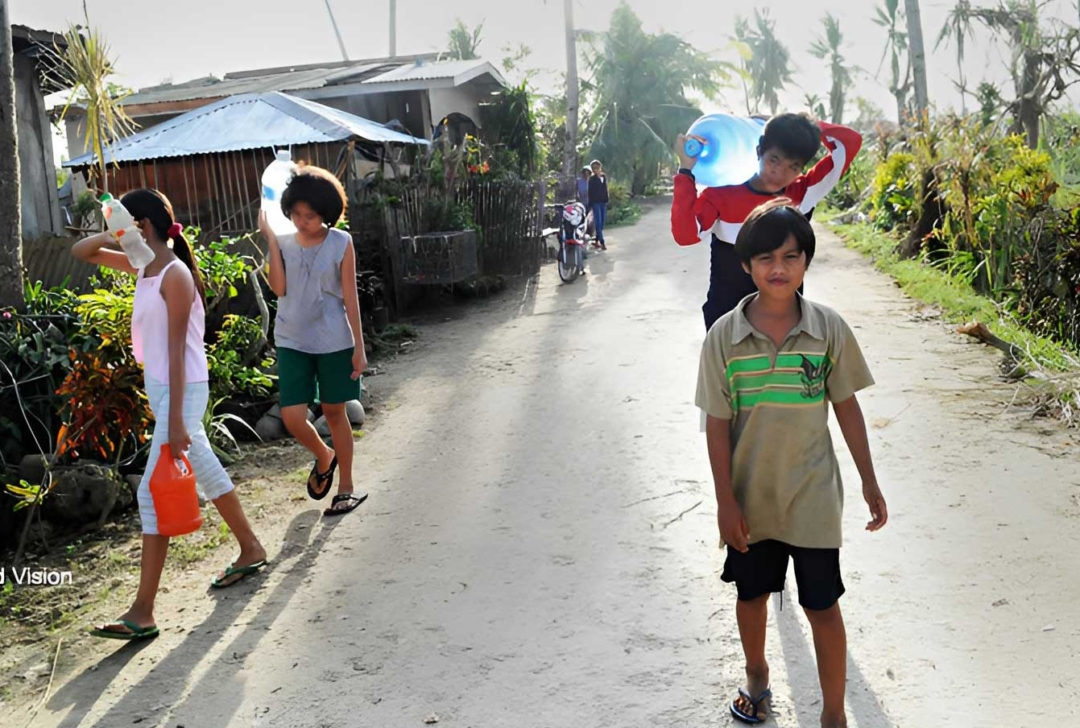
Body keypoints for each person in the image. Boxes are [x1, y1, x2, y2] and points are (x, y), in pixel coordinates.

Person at [695, 200, 888, 727]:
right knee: (752, 595)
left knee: (822, 606)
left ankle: (832, 715)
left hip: (813, 495)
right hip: (751, 499)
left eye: (790, 256)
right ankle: (757, 676)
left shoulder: (828, 330)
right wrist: (724, 502)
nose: (778, 269)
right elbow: (716, 423)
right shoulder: (724, 339)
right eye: (765, 259)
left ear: (806, 262)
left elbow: (846, 406)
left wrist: (869, 481)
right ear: (746, 266)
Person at [73, 189, 268, 641]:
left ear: (145, 225)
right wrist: (115, 229)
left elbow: (181, 351)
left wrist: (177, 419)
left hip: (183, 390)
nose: (121, 231)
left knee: (149, 494)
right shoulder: (143, 267)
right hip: (164, 389)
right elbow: (80, 251)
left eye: (127, 221)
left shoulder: (174, 275)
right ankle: (250, 548)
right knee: (204, 464)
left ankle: (143, 611)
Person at [672, 113, 862, 331]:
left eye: (794, 166)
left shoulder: (803, 192)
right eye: (775, 160)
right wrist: (685, 171)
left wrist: (798, 125)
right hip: (728, 320)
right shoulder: (721, 195)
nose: (780, 173)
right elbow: (685, 235)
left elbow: (850, 141)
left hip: (786, 324)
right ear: (759, 150)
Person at [260, 165, 369, 517]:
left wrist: (359, 348)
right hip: (292, 338)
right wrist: (271, 242)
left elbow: (350, 297)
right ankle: (324, 455)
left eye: (310, 215)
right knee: (292, 416)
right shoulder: (283, 240)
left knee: (336, 412)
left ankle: (346, 487)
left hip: (334, 339)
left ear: (327, 214)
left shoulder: (341, 242)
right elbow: (278, 288)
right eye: (296, 214)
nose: (301, 221)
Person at [588, 159, 609, 250]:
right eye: (594, 168)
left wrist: (607, 199)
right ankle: (602, 242)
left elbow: (605, 189)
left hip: (603, 202)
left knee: (602, 222)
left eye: (597, 167)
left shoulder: (603, 177)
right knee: (598, 222)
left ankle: (596, 240)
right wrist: (590, 204)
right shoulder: (592, 179)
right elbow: (590, 192)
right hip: (596, 203)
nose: (596, 169)